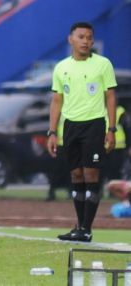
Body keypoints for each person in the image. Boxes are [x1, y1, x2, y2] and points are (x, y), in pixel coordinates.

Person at [47, 22, 117, 242]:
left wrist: (111, 128)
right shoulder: (61, 67)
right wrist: (52, 131)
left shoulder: (103, 64)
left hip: (95, 124)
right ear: (71, 39)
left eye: (89, 37)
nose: (86, 41)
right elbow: (57, 101)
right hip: (70, 127)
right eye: (81, 37)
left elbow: (111, 97)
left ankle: (86, 228)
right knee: (76, 175)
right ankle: (80, 227)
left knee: (91, 174)